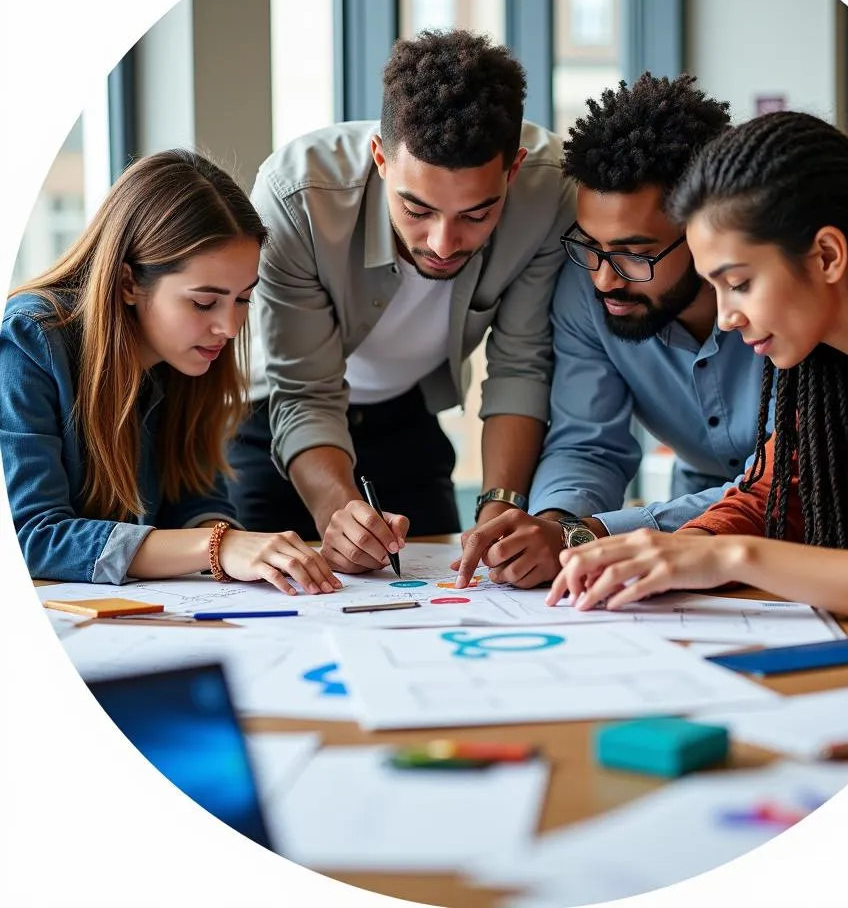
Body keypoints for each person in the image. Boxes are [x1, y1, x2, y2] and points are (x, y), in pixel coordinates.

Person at [550, 111, 848, 631]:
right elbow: (773, 494)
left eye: (740, 283)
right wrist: (673, 551)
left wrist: (730, 558)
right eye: (716, 286)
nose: (727, 317)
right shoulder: (825, 354)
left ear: (826, 255)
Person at [227, 29, 575, 574]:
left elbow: (521, 365)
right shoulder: (296, 197)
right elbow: (304, 390)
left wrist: (501, 508)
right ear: (380, 159)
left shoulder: (551, 190)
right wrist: (337, 512)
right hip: (271, 421)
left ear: (513, 170)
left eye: (477, 214)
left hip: (406, 413)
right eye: (417, 210)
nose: (442, 243)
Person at [453, 72, 768, 589]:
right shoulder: (585, 288)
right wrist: (555, 524)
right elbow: (587, 443)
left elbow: (781, 484)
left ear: (708, 233)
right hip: (691, 521)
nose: (604, 279)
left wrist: (591, 533)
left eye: (636, 254)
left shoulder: (781, 304)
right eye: (592, 247)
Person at [0, 150, 338, 595]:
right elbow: (30, 538)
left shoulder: (184, 357)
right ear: (127, 284)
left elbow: (197, 499)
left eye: (243, 299)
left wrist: (237, 546)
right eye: (204, 302)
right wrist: (218, 546)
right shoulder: (29, 341)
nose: (231, 327)